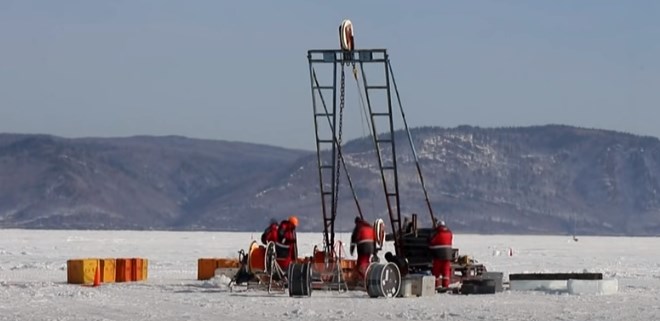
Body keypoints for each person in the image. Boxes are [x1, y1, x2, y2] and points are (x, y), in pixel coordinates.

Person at [428, 220, 453, 289]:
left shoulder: (437, 233)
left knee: (436, 271)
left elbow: (432, 241)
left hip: (438, 255)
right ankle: (445, 285)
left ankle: (436, 285)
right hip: (448, 256)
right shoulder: (449, 233)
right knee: (446, 272)